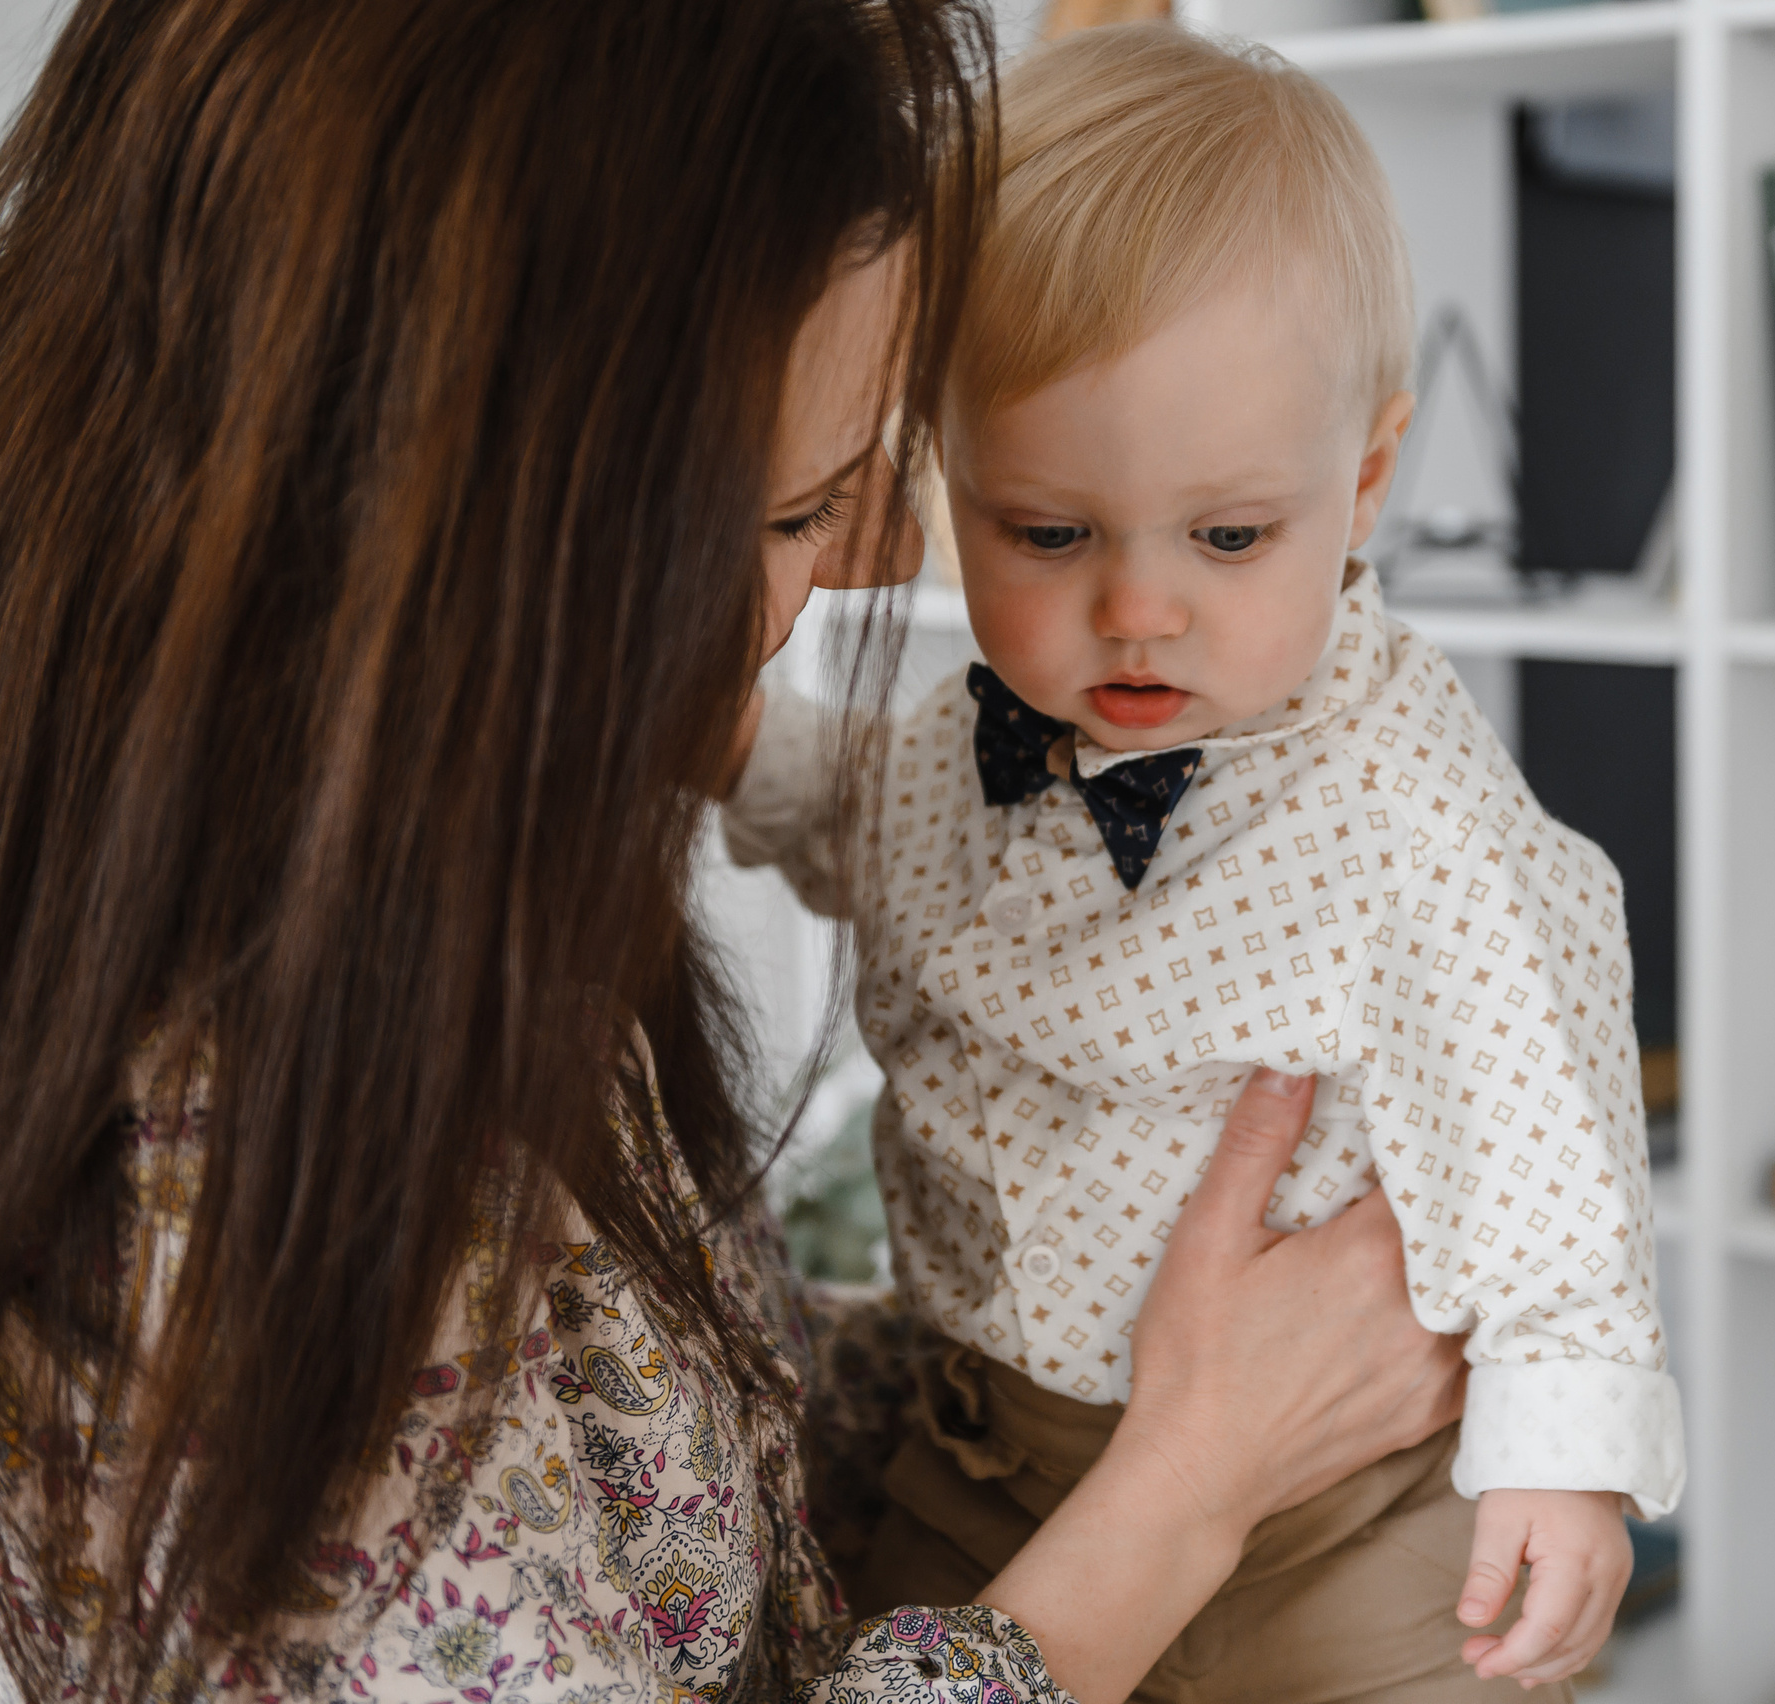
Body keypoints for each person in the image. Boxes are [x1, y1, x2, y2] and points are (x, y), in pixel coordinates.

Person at [0, 3, 1466, 1702]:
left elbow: (674, 1493)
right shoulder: (208, 1216)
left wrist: (1089, 1352)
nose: (890, 558)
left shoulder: (422, 927)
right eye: (797, 509)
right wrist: (1188, 1486)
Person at [722, 24, 1685, 1701]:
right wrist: (710, 736)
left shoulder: (1408, 810)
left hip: (1340, 1522)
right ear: (949, 478)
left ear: (1366, 478)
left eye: (1229, 537)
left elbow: (1546, 1132)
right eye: (1051, 532)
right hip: (987, 1466)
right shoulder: (965, 738)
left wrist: (1565, 1448)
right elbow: (844, 817)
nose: (1140, 606)